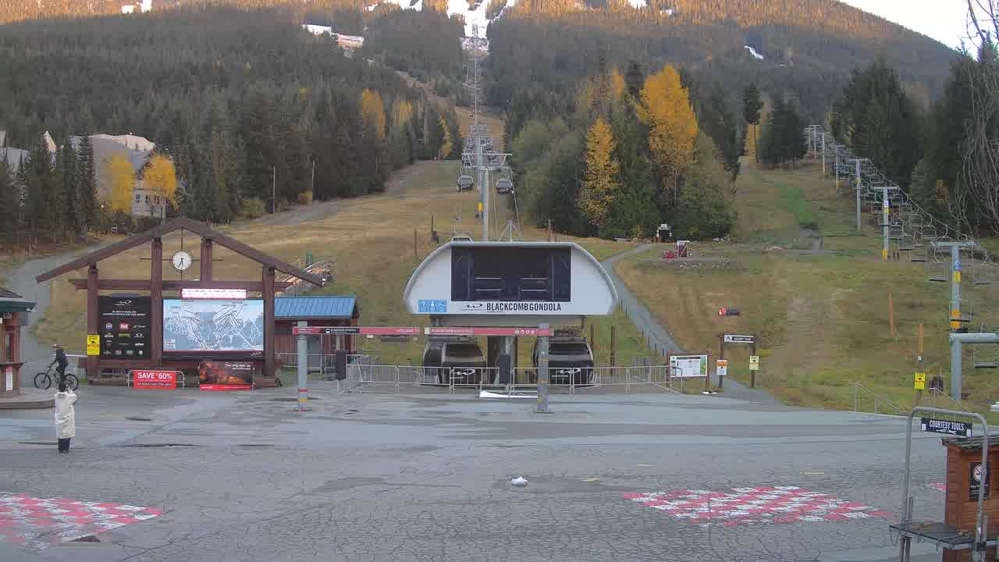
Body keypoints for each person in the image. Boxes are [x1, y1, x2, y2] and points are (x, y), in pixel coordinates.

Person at [54, 381, 78, 453]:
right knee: (68, 433)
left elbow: (58, 393)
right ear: (65, 388)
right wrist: (69, 390)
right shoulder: (69, 396)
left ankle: (60, 448)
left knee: (60, 433)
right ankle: (66, 448)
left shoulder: (56, 396)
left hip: (59, 416)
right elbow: (75, 397)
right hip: (68, 416)